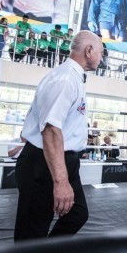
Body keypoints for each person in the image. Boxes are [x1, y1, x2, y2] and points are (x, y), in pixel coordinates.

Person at [14, 30, 103, 241]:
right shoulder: (64, 79)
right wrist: (60, 182)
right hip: (44, 161)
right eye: (100, 52)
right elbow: (51, 130)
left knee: (77, 213)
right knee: (32, 230)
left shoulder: (74, 78)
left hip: (65, 159)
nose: (102, 57)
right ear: (89, 50)